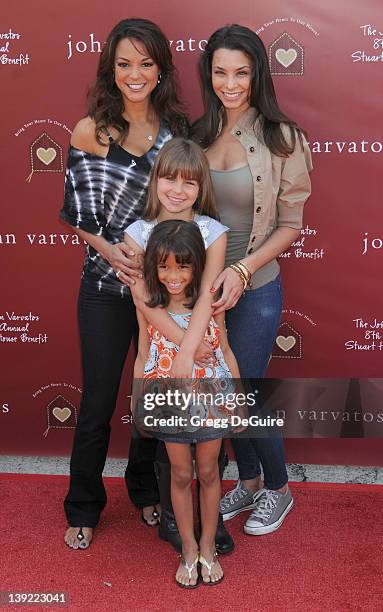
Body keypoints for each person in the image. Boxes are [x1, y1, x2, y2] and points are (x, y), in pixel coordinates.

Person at [60, 17, 188, 549]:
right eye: (124, 64)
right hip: (103, 287)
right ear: (110, 69)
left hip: (158, 291)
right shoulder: (92, 129)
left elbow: (182, 213)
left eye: (146, 63)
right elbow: (76, 213)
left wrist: (152, 267)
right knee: (96, 402)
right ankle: (83, 505)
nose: (135, 74)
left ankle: (143, 489)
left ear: (161, 69)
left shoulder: (177, 134)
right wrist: (114, 254)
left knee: (151, 397)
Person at [192, 24, 312, 535]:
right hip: (204, 291)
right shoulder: (195, 135)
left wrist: (243, 270)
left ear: (257, 73)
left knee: (245, 392)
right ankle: (247, 481)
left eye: (241, 72)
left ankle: (279, 490)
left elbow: (290, 225)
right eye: (221, 72)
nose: (231, 83)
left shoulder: (283, 138)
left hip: (257, 287)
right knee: (223, 390)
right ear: (209, 75)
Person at [124, 137, 234, 554]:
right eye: (169, 178)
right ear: (155, 181)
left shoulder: (212, 232)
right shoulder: (137, 235)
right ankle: (181, 533)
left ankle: (210, 534)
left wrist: (193, 350)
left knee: (208, 461)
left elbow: (208, 294)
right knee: (176, 463)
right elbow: (144, 303)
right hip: (164, 360)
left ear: (201, 187)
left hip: (204, 355)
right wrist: (184, 348)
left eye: (188, 182)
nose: (177, 189)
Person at [132, 219, 242, 587]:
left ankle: (209, 547)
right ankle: (189, 549)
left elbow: (225, 348)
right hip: (169, 402)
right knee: (180, 474)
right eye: (163, 266)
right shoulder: (149, 301)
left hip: (212, 399)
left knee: (209, 472)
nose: (173, 275)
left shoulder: (211, 300)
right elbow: (144, 351)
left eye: (182, 265)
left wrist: (239, 402)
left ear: (198, 263)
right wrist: (136, 402)